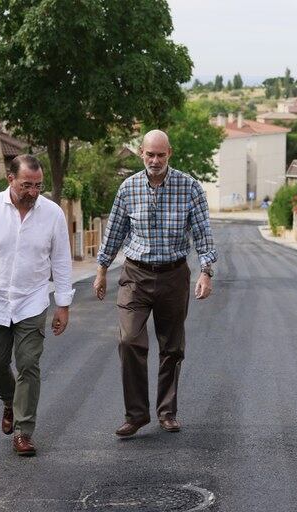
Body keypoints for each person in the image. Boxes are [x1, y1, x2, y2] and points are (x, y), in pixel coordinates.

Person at [94, 129, 217, 437]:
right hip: (135, 275)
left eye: (161, 155)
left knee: (172, 347)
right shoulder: (128, 188)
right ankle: (136, 414)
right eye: (150, 154)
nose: (155, 160)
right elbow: (114, 232)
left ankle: (167, 411)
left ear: (169, 154)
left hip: (174, 275)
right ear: (141, 153)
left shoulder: (190, 187)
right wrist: (101, 269)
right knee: (129, 340)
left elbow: (202, 233)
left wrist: (205, 271)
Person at [0, 154, 74, 457]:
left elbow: (61, 261)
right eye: (26, 185)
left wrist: (63, 305)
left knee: (28, 364)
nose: (33, 192)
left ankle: (24, 431)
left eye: (38, 186)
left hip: (32, 301)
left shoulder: (53, 214)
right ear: (10, 179)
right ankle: (10, 401)